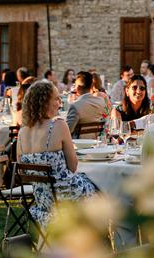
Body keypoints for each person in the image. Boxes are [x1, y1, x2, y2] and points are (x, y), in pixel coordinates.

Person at [17, 81, 98, 225]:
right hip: (67, 198)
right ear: (44, 102)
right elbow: (73, 166)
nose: (60, 102)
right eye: (56, 98)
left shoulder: (22, 133)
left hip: (44, 202)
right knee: (103, 189)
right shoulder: (59, 125)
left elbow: (23, 167)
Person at [66, 71, 108, 137]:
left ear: (77, 88)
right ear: (91, 86)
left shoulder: (75, 106)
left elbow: (67, 130)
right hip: (97, 142)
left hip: (78, 144)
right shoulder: (101, 101)